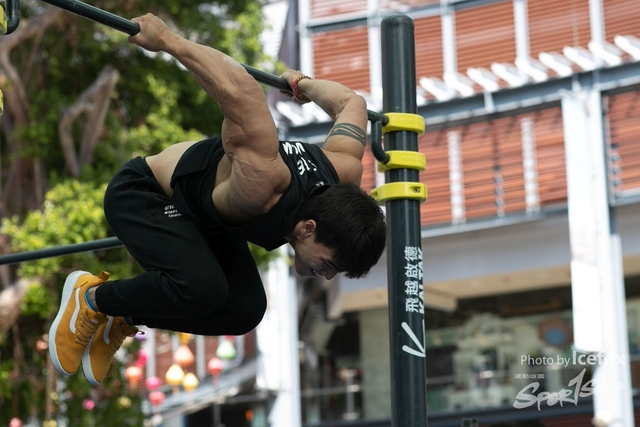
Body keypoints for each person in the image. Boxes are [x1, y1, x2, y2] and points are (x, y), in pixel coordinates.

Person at [48, 13, 386, 386]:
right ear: (309, 228)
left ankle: (122, 315)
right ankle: (92, 298)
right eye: (327, 264)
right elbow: (240, 91)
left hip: (201, 220)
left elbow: (350, 104)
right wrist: (168, 40)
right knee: (202, 287)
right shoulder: (265, 180)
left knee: (246, 311)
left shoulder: (342, 172)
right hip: (145, 196)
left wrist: (302, 83)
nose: (324, 275)